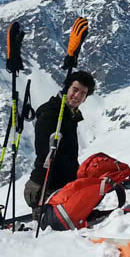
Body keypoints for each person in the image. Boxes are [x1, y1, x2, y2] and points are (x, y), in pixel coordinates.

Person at [24, 70, 96, 208]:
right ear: (66, 88)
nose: (77, 96)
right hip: (46, 186)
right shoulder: (50, 115)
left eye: (83, 93)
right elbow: (46, 153)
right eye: (75, 90)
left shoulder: (70, 115)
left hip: (64, 184)